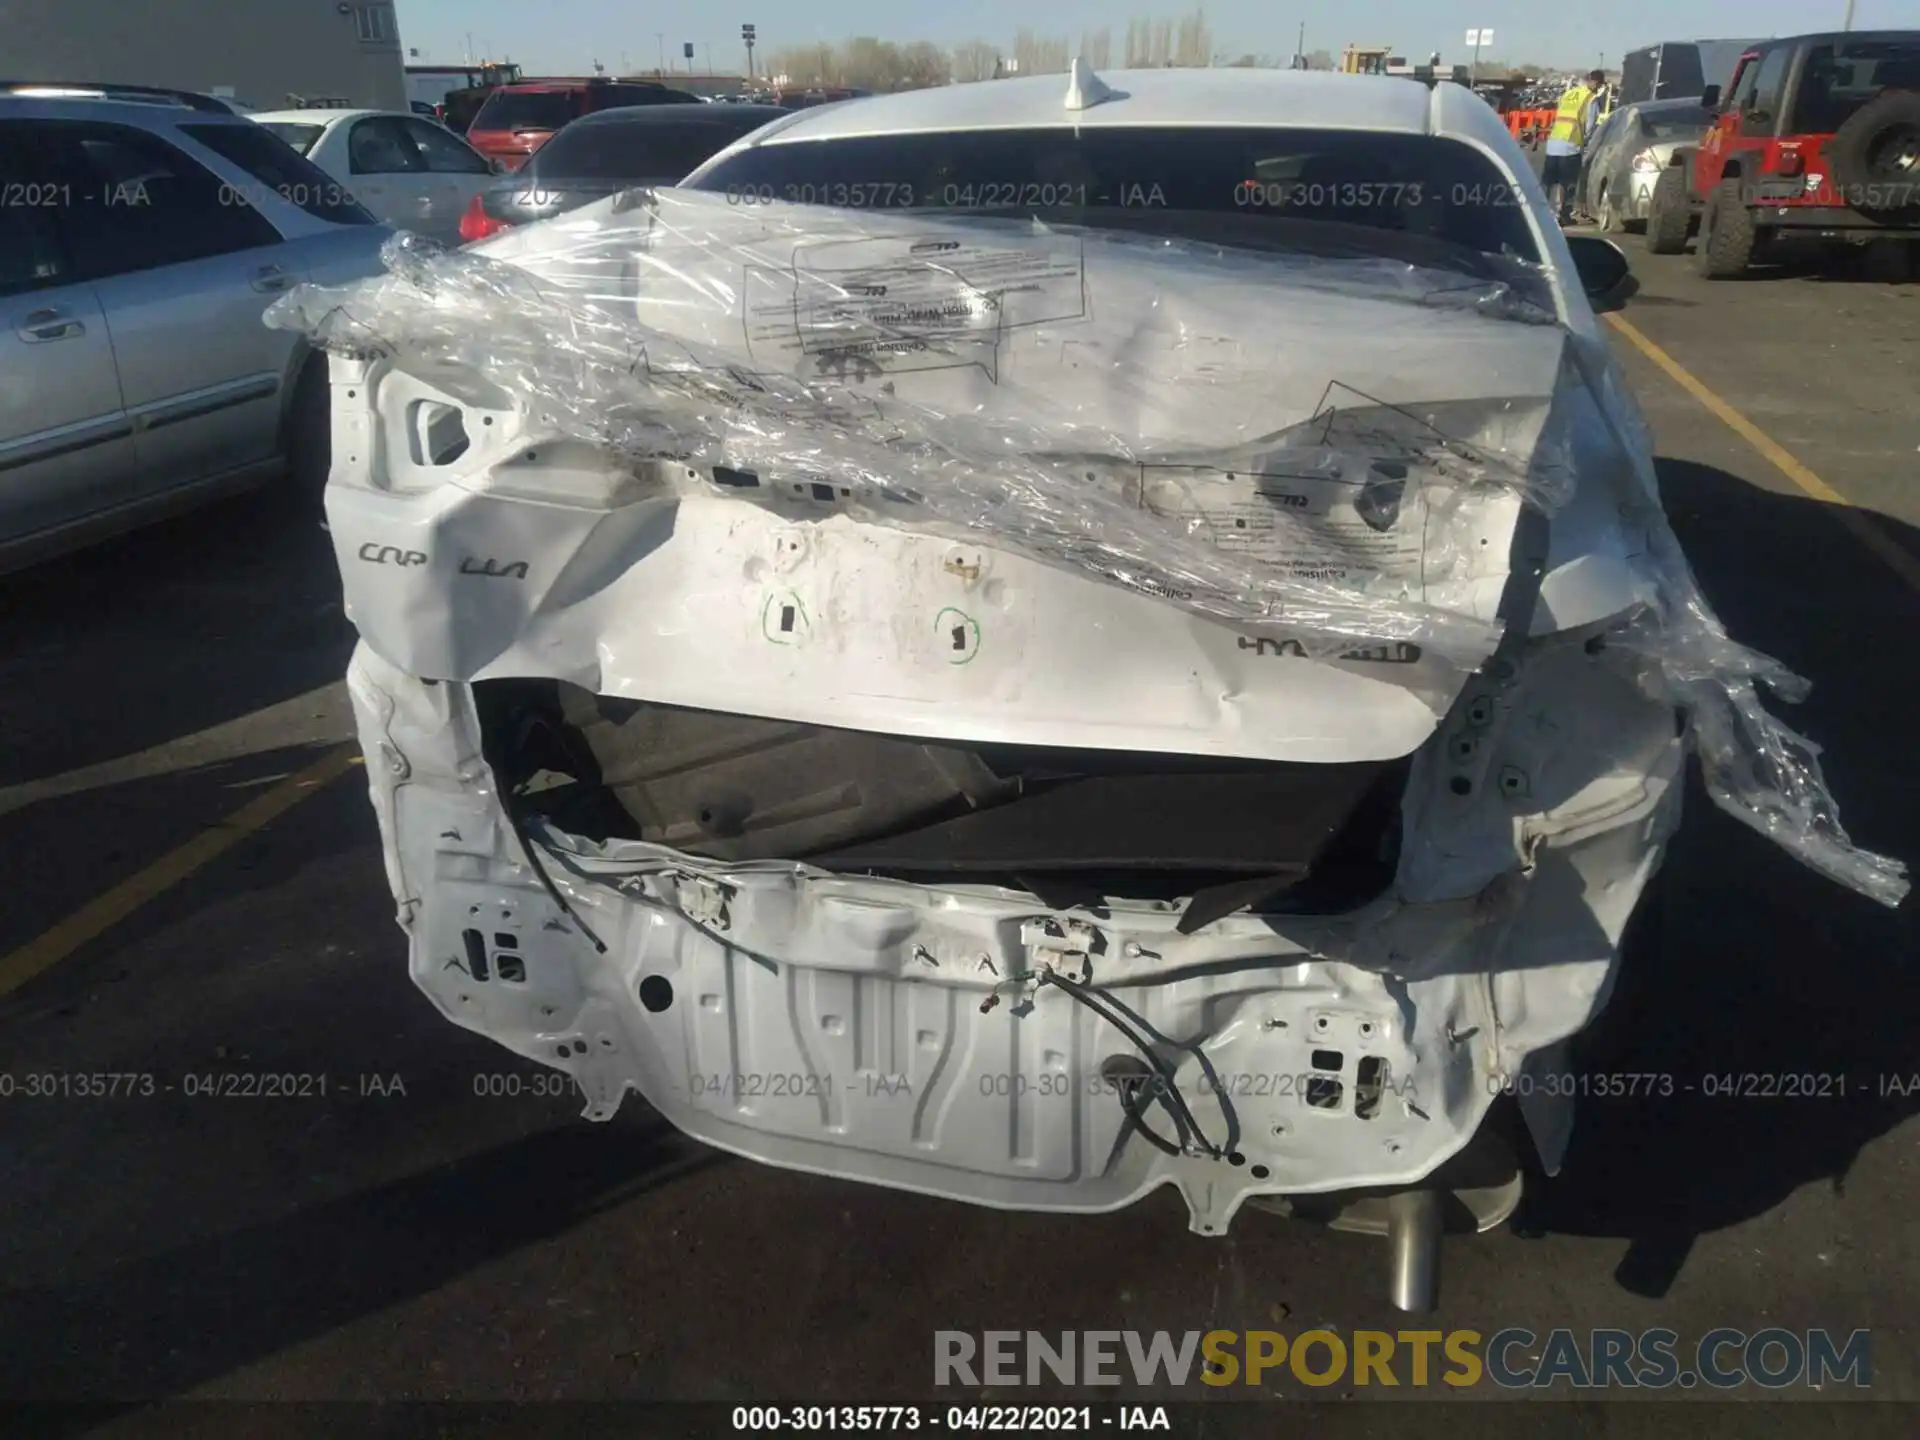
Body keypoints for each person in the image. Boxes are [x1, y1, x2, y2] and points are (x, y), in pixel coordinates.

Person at [1543, 69, 1605, 226]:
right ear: (1597, 83)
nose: (1598, 89)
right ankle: (1562, 215)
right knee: (1567, 182)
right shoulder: (1591, 99)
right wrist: (1586, 142)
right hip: (1571, 143)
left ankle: (1541, 211)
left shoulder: (1569, 94)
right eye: (1599, 86)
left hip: (1554, 141)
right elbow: (1590, 127)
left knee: (1549, 181)